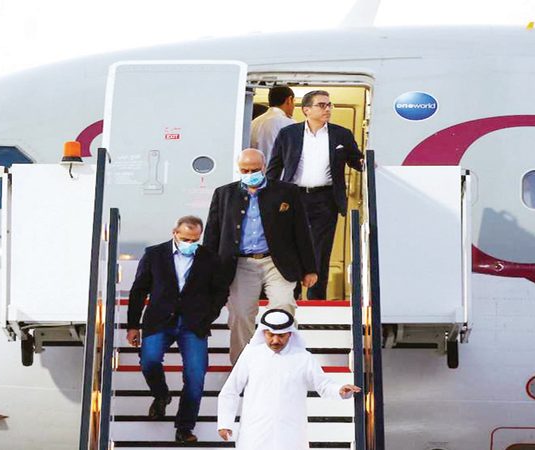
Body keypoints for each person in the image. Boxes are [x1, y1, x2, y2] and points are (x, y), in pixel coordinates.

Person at [204, 148, 317, 364]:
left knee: (283, 307)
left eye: (254, 169)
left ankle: (283, 363)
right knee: (240, 314)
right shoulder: (224, 194)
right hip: (241, 263)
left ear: (264, 167)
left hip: (277, 262)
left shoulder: (287, 192)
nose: (250, 174)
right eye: (244, 170)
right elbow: (212, 234)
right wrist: (208, 271)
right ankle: (243, 367)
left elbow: (302, 230)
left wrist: (310, 268)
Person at [126, 215, 229, 443]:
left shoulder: (210, 259)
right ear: (175, 233)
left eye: (195, 240)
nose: (190, 243)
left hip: (194, 324)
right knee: (149, 361)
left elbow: (221, 291)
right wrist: (132, 325)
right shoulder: (154, 254)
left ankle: (184, 427)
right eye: (186, 239)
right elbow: (139, 290)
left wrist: (208, 317)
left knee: (195, 375)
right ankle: (161, 395)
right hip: (159, 320)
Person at [267, 90, 364, 300]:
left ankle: (316, 299)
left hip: (325, 199)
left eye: (329, 105)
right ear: (306, 110)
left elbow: (356, 160)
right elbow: (274, 167)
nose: (327, 109)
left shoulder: (342, 134)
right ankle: (291, 297)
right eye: (321, 105)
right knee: (292, 247)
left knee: (320, 250)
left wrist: (368, 163)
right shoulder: (288, 134)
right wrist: (269, 198)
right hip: (294, 198)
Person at [217, 309, 360, 449]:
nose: (275, 340)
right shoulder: (250, 355)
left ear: (290, 334)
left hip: (291, 433)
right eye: (271, 335)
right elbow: (231, 390)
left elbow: (323, 384)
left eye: (281, 335)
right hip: (255, 432)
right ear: (263, 332)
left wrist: (339, 390)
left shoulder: (303, 357)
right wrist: (225, 423)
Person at [250, 86, 296, 164]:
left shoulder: (254, 122)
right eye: (294, 101)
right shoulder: (289, 124)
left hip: (256, 169)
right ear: (289, 100)